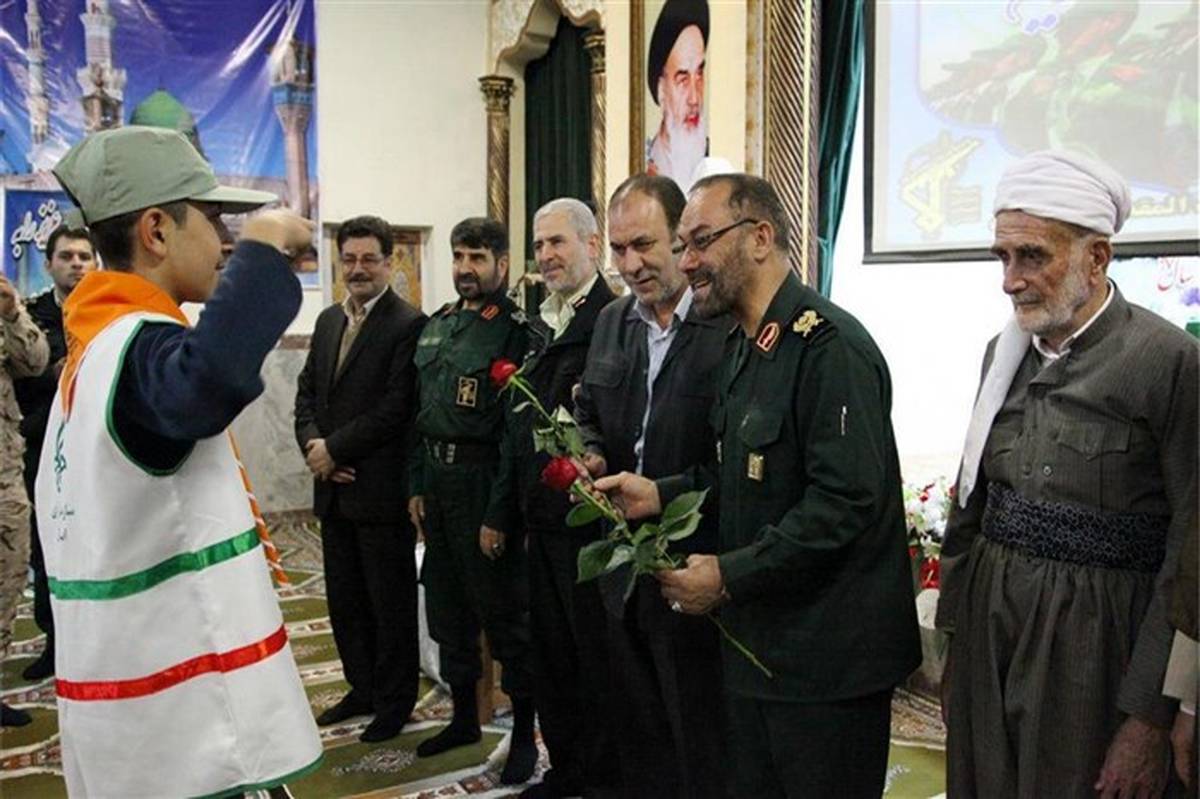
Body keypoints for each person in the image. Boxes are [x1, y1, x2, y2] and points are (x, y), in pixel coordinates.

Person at [595, 174, 921, 798]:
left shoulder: (829, 348)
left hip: (827, 663)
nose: (688, 262)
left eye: (701, 242)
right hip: (759, 649)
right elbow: (738, 477)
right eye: (683, 246)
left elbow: (843, 504)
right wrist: (659, 494)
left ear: (761, 238)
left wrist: (728, 575)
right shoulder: (746, 347)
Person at [41, 125, 321, 796]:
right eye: (215, 220)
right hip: (186, 725)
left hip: (146, 708)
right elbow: (204, 384)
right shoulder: (131, 348)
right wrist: (263, 250)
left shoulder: (98, 345)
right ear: (157, 231)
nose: (224, 240)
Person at [934, 150, 1199, 797]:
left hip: (1097, 659)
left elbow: (1190, 553)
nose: (1010, 280)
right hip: (989, 644)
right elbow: (972, 510)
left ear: (1097, 257)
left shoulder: (1169, 362)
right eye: (1002, 257)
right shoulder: (1001, 355)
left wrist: (1149, 715)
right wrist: (953, 649)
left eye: (1032, 256)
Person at [574, 174, 729, 798]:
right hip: (622, 565)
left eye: (644, 245)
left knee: (700, 728)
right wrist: (587, 455)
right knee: (637, 722)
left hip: (697, 564)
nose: (631, 264)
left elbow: (739, 461)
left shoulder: (724, 324)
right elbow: (589, 410)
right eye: (618, 249)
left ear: (682, 240)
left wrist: (664, 492)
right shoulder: (613, 322)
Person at [490, 197, 617, 799]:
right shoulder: (542, 321)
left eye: (557, 242)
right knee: (551, 657)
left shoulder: (611, 319)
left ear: (592, 245)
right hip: (540, 521)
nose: (544, 255)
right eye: (539, 245)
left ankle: (596, 777)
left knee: (592, 662)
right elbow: (521, 428)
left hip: (587, 524)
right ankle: (567, 772)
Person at [405, 217, 536, 783]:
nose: (465, 268)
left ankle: (524, 734)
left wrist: (499, 512)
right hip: (438, 485)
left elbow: (515, 434)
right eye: (459, 256)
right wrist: (416, 485)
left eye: (477, 257)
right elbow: (420, 415)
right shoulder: (437, 326)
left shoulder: (515, 331)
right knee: (447, 607)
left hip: (483, 483)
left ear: (501, 264)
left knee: (505, 618)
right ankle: (463, 719)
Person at [294, 214, 426, 743]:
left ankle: (394, 702)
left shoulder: (407, 323)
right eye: (349, 259)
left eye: (369, 258)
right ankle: (362, 688)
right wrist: (314, 447)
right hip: (333, 491)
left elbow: (396, 408)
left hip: (379, 490)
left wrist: (335, 449)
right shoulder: (329, 320)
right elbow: (306, 393)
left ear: (390, 262)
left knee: (388, 605)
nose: (358, 268)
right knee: (345, 602)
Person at [13, 226, 95, 683]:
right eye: (67, 256)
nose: (77, 263)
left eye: (84, 255)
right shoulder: (28, 316)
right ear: (49, 264)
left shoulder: (106, 313)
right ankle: (55, 643)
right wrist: (60, 374)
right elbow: (23, 377)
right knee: (48, 551)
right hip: (43, 448)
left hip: (97, 452)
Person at [0, 274, 49, 728]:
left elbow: (35, 363)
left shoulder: (6, 309)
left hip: (4, 479)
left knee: (8, 579)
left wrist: (12, 312)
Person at [646, 0, 709, 193]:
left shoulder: (715, 166)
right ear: (661, 89)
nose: (694, 99)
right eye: (682, 80)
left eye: (699, 74)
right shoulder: (647, 166)